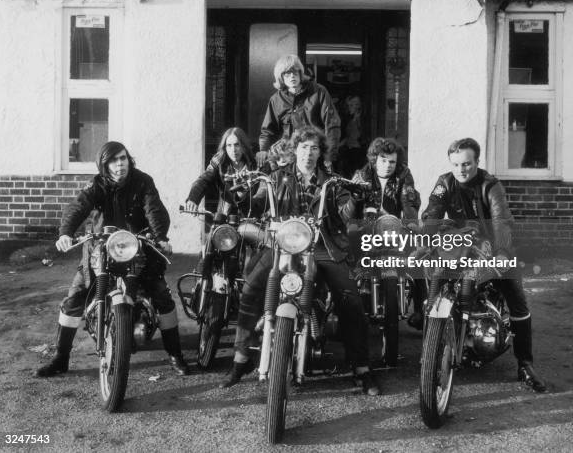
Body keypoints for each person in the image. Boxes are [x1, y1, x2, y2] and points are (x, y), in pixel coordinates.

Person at [224, 126, 380, 395]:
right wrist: (242, 195)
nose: (309, 153)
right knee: (250, 288)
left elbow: (344, 214)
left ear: (321, 153)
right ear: (295, 150)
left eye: (315, 148)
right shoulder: (275, 177)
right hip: (283, 243)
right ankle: (241, 357)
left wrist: (355, 199)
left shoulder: (331, 182)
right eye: (304, 147)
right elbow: (259, 201)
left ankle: (361, 367)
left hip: (322, 246)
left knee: (350, 299)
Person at [35, 141, 189, 378]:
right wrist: (65, 232)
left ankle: (175, 354)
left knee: (162, 296)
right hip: (101, 247)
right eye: (113, 161)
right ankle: (61, 357)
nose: (120, 165)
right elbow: (79, 206)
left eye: (123, 159)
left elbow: (154, 209)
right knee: (75, 297)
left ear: (129, 160)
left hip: (138, 247)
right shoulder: (97, 185)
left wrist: (160, 237)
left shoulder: (143, 181)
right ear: (104, 165)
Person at [421, 137, 547, 392]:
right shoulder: (444, 183)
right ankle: (430, 350)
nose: (461, 170)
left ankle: (525, 363)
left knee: (516, 297)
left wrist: (501, 252)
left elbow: (501, 220)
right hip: (460, 243)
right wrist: (425, 241)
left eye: (466, 164)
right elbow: (432, 212)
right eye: (456, 164)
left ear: (477, 162)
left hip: (492, 246)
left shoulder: (491, 186)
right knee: (436, 279)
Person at [351, 137, 427, 330]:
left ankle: (420, 310)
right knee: (349, 254)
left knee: (417, 258)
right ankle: (346, 306)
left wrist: (411, 225)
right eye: (383, 160)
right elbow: (353, 205)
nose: (387, 165)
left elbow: (409, 201)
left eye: (392, 161)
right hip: (367, 227)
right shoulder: (362, 174)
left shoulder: (403, 174)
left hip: (394, 227)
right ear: (374, 159)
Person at [256, 54, 341, 168]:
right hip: (287, 158)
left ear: (301, 74)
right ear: (281, 77)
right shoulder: (276, 100)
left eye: (295, 72)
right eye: (287, 73)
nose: (292, 76)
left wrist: (329, 156)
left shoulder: (319, 92)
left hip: (315, 155)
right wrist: (263, 150)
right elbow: (267, 131)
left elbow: (332, 125)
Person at [185, 127, 258, 218]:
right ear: (225, 147)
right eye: (229, 145)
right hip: (225, 216)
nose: (233, 149)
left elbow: (263, 191)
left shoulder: (254, 163)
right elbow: (204, 180)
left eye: (237, 145)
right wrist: (193, 198)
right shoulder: (219, 162)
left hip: (251, 217)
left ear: (243, 146)